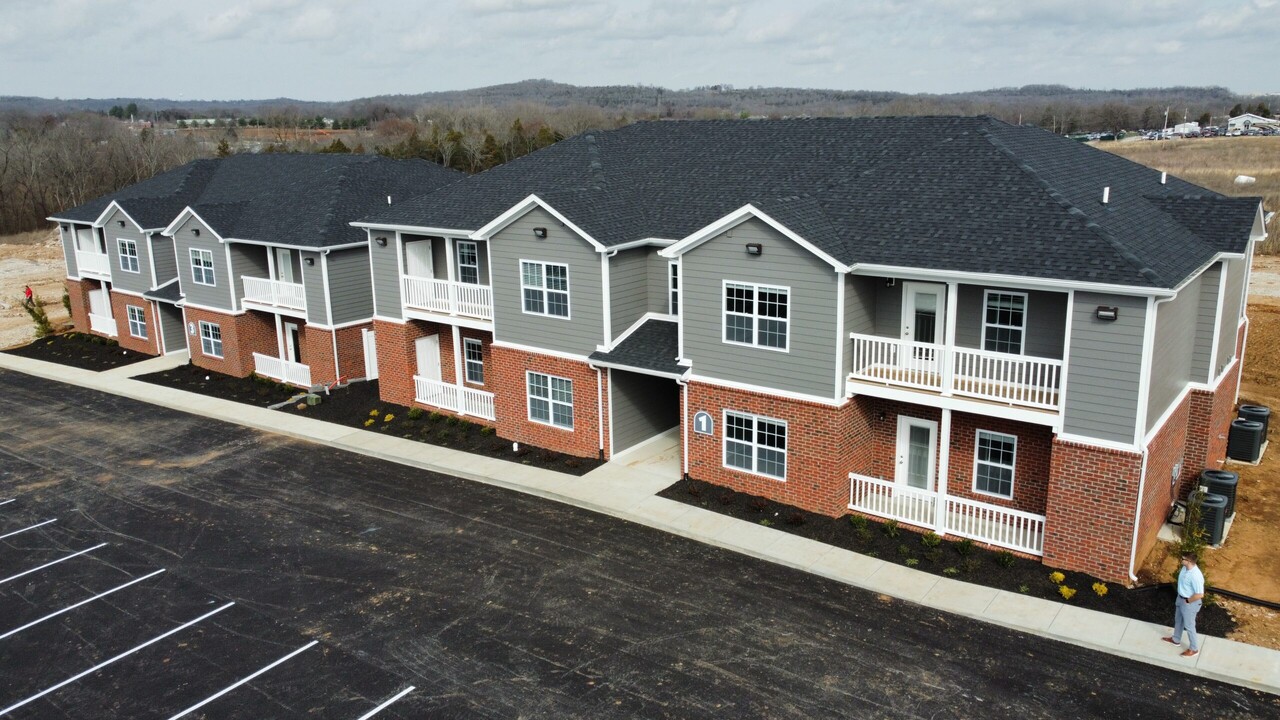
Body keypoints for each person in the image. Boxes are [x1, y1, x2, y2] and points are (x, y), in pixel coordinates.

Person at [1163, 553, 1205, 658]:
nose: (1181, 560)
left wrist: (1187, 601)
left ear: (1189, 562)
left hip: (1190, 603)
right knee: (1178, 620)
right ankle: (1176, 639)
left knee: (1189, 626)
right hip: (1180, 598)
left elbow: (1200, 594)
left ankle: (1194, 649)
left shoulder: (1195, 576)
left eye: (1183, 559)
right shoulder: (1184, 568)